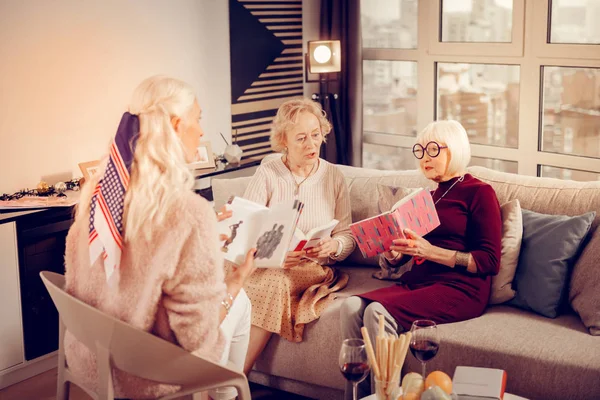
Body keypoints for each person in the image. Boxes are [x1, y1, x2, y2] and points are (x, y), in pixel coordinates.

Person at [63, 76, 255, 400]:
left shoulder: (99, 191)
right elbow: (197, 337)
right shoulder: (189, 213)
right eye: (199, 118)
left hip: (89, 357)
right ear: (178, 125)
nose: (202, 131)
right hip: (145, 375)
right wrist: (235, 283)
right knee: (243, 302)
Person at [340, 120, 502, 400]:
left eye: (433, 149)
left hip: (460, 288)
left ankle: (388, 395)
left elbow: (488, 261)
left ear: (455, 150)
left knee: (376, 312)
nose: (425, 157)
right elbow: (408, 255)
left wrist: (430, 252)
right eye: (420, 150)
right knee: (351, 306)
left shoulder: (479, 192)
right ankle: (358, 396)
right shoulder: (427, 197)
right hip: (418, 282)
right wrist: (392, 254)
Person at [242, 98, 356, 375]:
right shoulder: (268, 173)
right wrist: (275, 254)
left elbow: (348, 236)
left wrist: (334, 245)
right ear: (284, 140)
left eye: (316, 135)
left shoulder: (333, 176)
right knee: (229, 279)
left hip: (312, 267)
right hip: (266, 262)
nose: (311, 144)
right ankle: (210, 369)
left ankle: (235, 378)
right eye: (301, 138)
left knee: (275, 283)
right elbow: (246, 228)